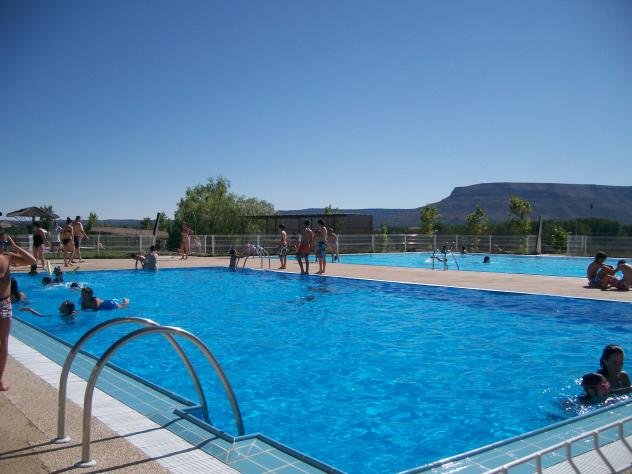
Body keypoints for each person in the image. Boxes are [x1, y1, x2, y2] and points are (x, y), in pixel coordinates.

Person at [0, 229, 37, 390]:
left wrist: (14, 246)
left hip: (4, 304)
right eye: (1, 242)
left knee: (3, 343)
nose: (2, 245)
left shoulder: (8, 257)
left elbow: (32, 260)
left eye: (4, 242)